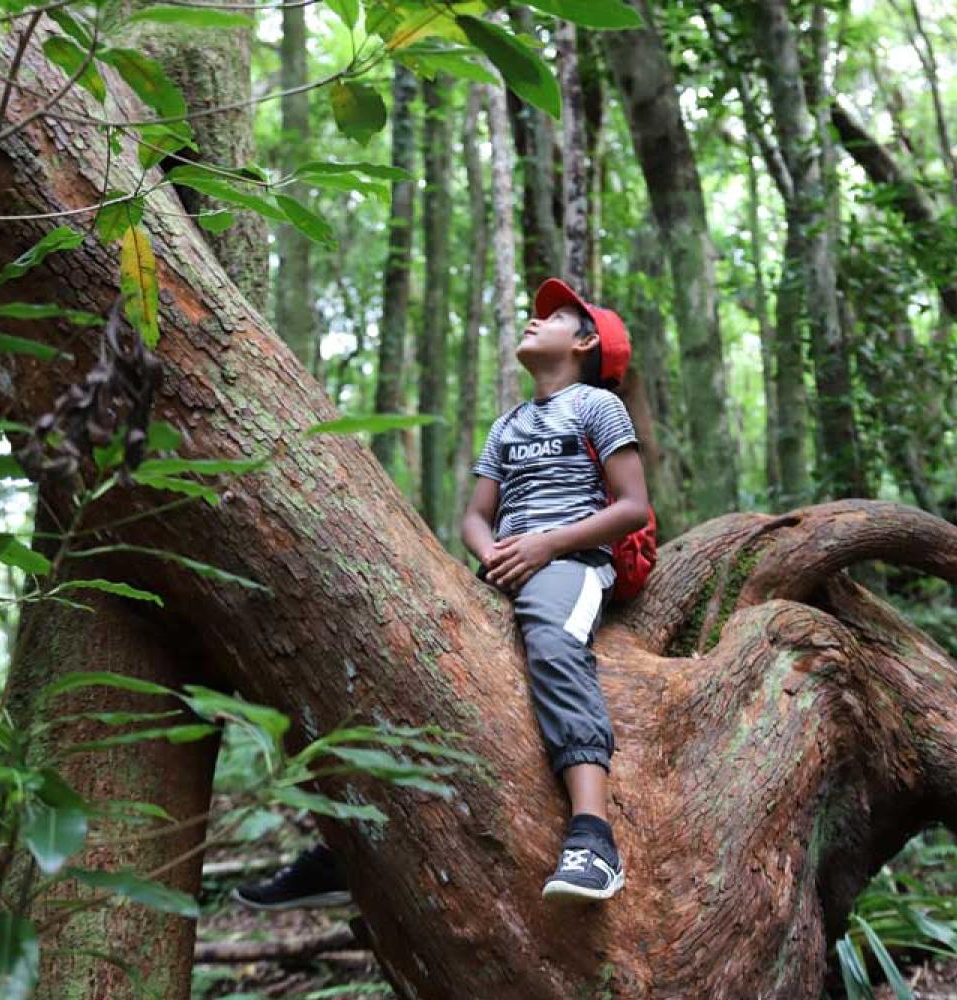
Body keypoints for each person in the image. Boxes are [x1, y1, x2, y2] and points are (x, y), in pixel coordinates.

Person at [235, 277, 648, 909]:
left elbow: (632, 506)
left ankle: (594, 840)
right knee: (409, 663)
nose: (534, 323)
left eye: (556, 317)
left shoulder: (597, 406)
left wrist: (547, 545)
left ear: (586, 341)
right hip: (503, 568)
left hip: (571, 565)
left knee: (554, 647)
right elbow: (476, 515)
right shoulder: (508, 423)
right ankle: (351, 845)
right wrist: (491, 554)